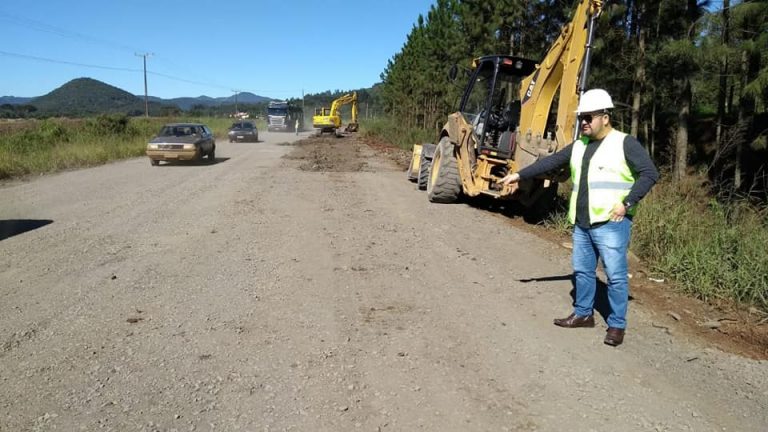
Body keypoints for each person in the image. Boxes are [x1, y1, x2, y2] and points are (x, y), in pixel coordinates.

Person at [499, 89, 659, 346]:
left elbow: (650, 174)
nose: (583, 122)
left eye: (589, 117)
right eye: (581, 117)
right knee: (583, 272)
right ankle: (584, 314)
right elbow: (549, 162)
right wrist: (519, 175)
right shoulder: (579, 145)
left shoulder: (624, 143)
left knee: (615, 276)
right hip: (582, 223)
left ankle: (617, 325)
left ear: (605, 117)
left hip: (611, 222)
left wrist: (627, 203)